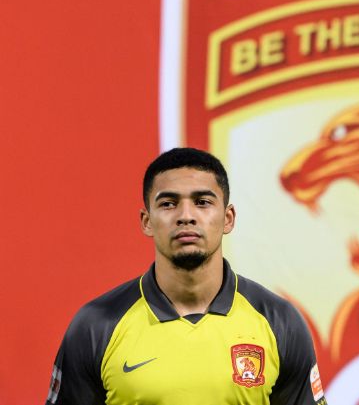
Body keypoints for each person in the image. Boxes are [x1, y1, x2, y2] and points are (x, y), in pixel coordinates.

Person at [46, 148, 327, 405]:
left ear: (228, 218)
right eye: (168, 204)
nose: (186, 216)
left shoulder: (279, 321)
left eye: (202, 202)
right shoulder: (96, 325)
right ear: (147, 221)